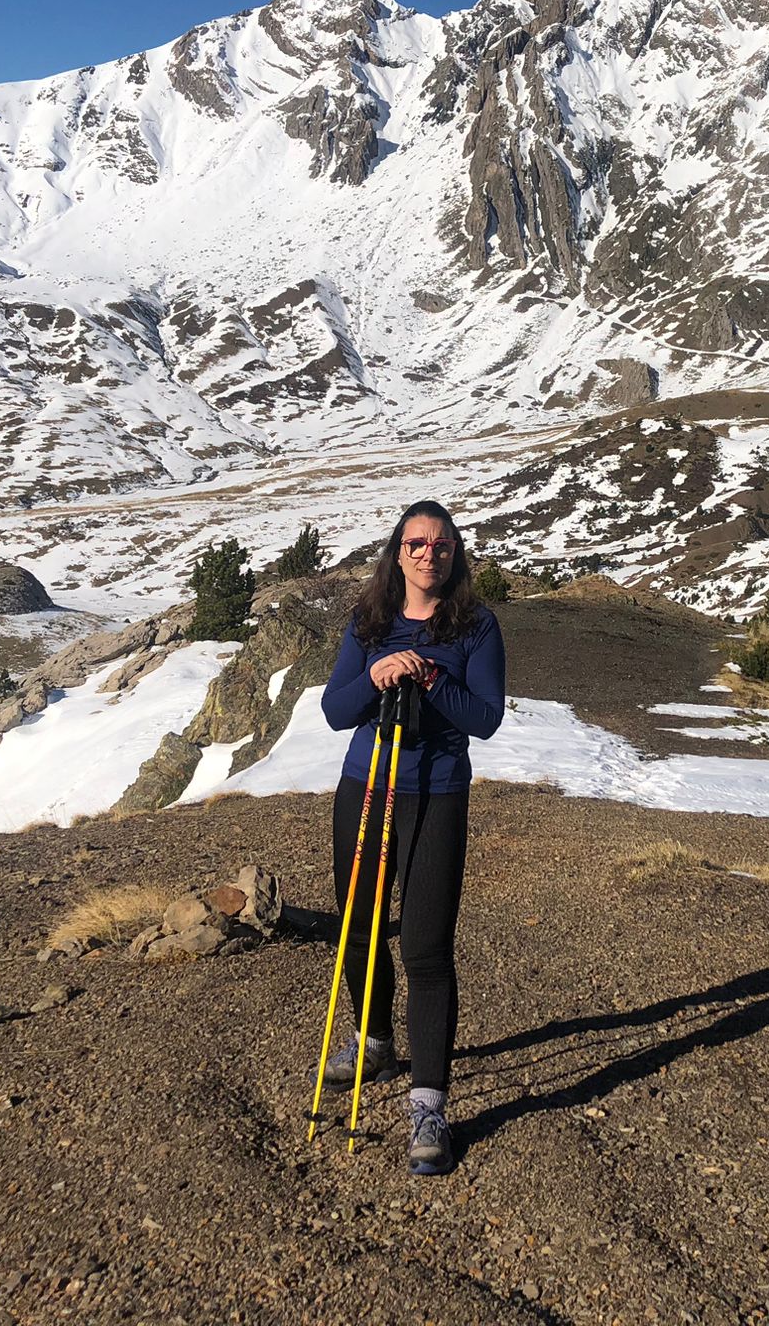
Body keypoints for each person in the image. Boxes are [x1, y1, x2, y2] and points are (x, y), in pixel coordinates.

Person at [319, 499, 505, 1175]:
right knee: (358, 928)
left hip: (439, 792)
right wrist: (375, 674)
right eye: (417, 543)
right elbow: (336, 710)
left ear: (455, 554)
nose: (430, 554)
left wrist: (428, 676)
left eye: (442, 544)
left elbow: (485, 719)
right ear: (397, 552)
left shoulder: (476, 627)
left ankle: (429, 1104)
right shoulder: (368, 623)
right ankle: (373, 1039)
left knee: (426, 948)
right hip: (366, 785)